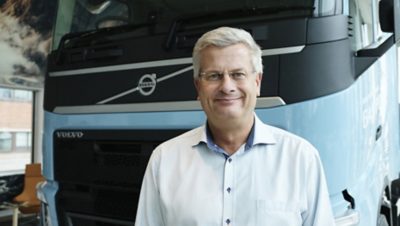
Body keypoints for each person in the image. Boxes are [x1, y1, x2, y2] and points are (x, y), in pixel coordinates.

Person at [135, 26, 335, 226]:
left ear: (257, 82)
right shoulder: (164, 160)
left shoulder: (300, 157)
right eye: (214, 76)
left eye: (238, 74)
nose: (227, 86)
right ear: (198, 87)